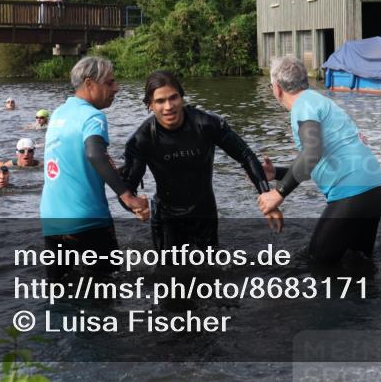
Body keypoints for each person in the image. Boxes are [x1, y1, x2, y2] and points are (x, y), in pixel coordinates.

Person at [120, 70, 280, 251]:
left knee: (211, 273)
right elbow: (127, 191)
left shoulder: (207, 124)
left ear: (182, 96)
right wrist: (136, 208)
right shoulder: (142, 139)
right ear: (150, 105)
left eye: (173, 98)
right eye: (160, 101)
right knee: (169, 276)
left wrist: (266, 195)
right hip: (167, 219)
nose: (168, 106)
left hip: (205, 214)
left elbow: (245, 156)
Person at [258, 56, 381, 265]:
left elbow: (311, 153)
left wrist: (278, 192)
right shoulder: (317, 101)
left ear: (277, 88)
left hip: (353, 193)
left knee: (317, 263)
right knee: (358, 263)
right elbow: (315, 162)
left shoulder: (302, 106)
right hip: (375, 191)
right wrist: (278, 173)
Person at [40, 56, 149, 280]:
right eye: (110, 83)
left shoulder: (59, 113)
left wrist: (117, 173)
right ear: (89, 84)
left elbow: (79, 161)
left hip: (52, 219)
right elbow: (95, 153)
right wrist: (128, 197)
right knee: (108, 289)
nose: (116, 88)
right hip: (87, 219)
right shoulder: (93, 116)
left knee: (59, 289)